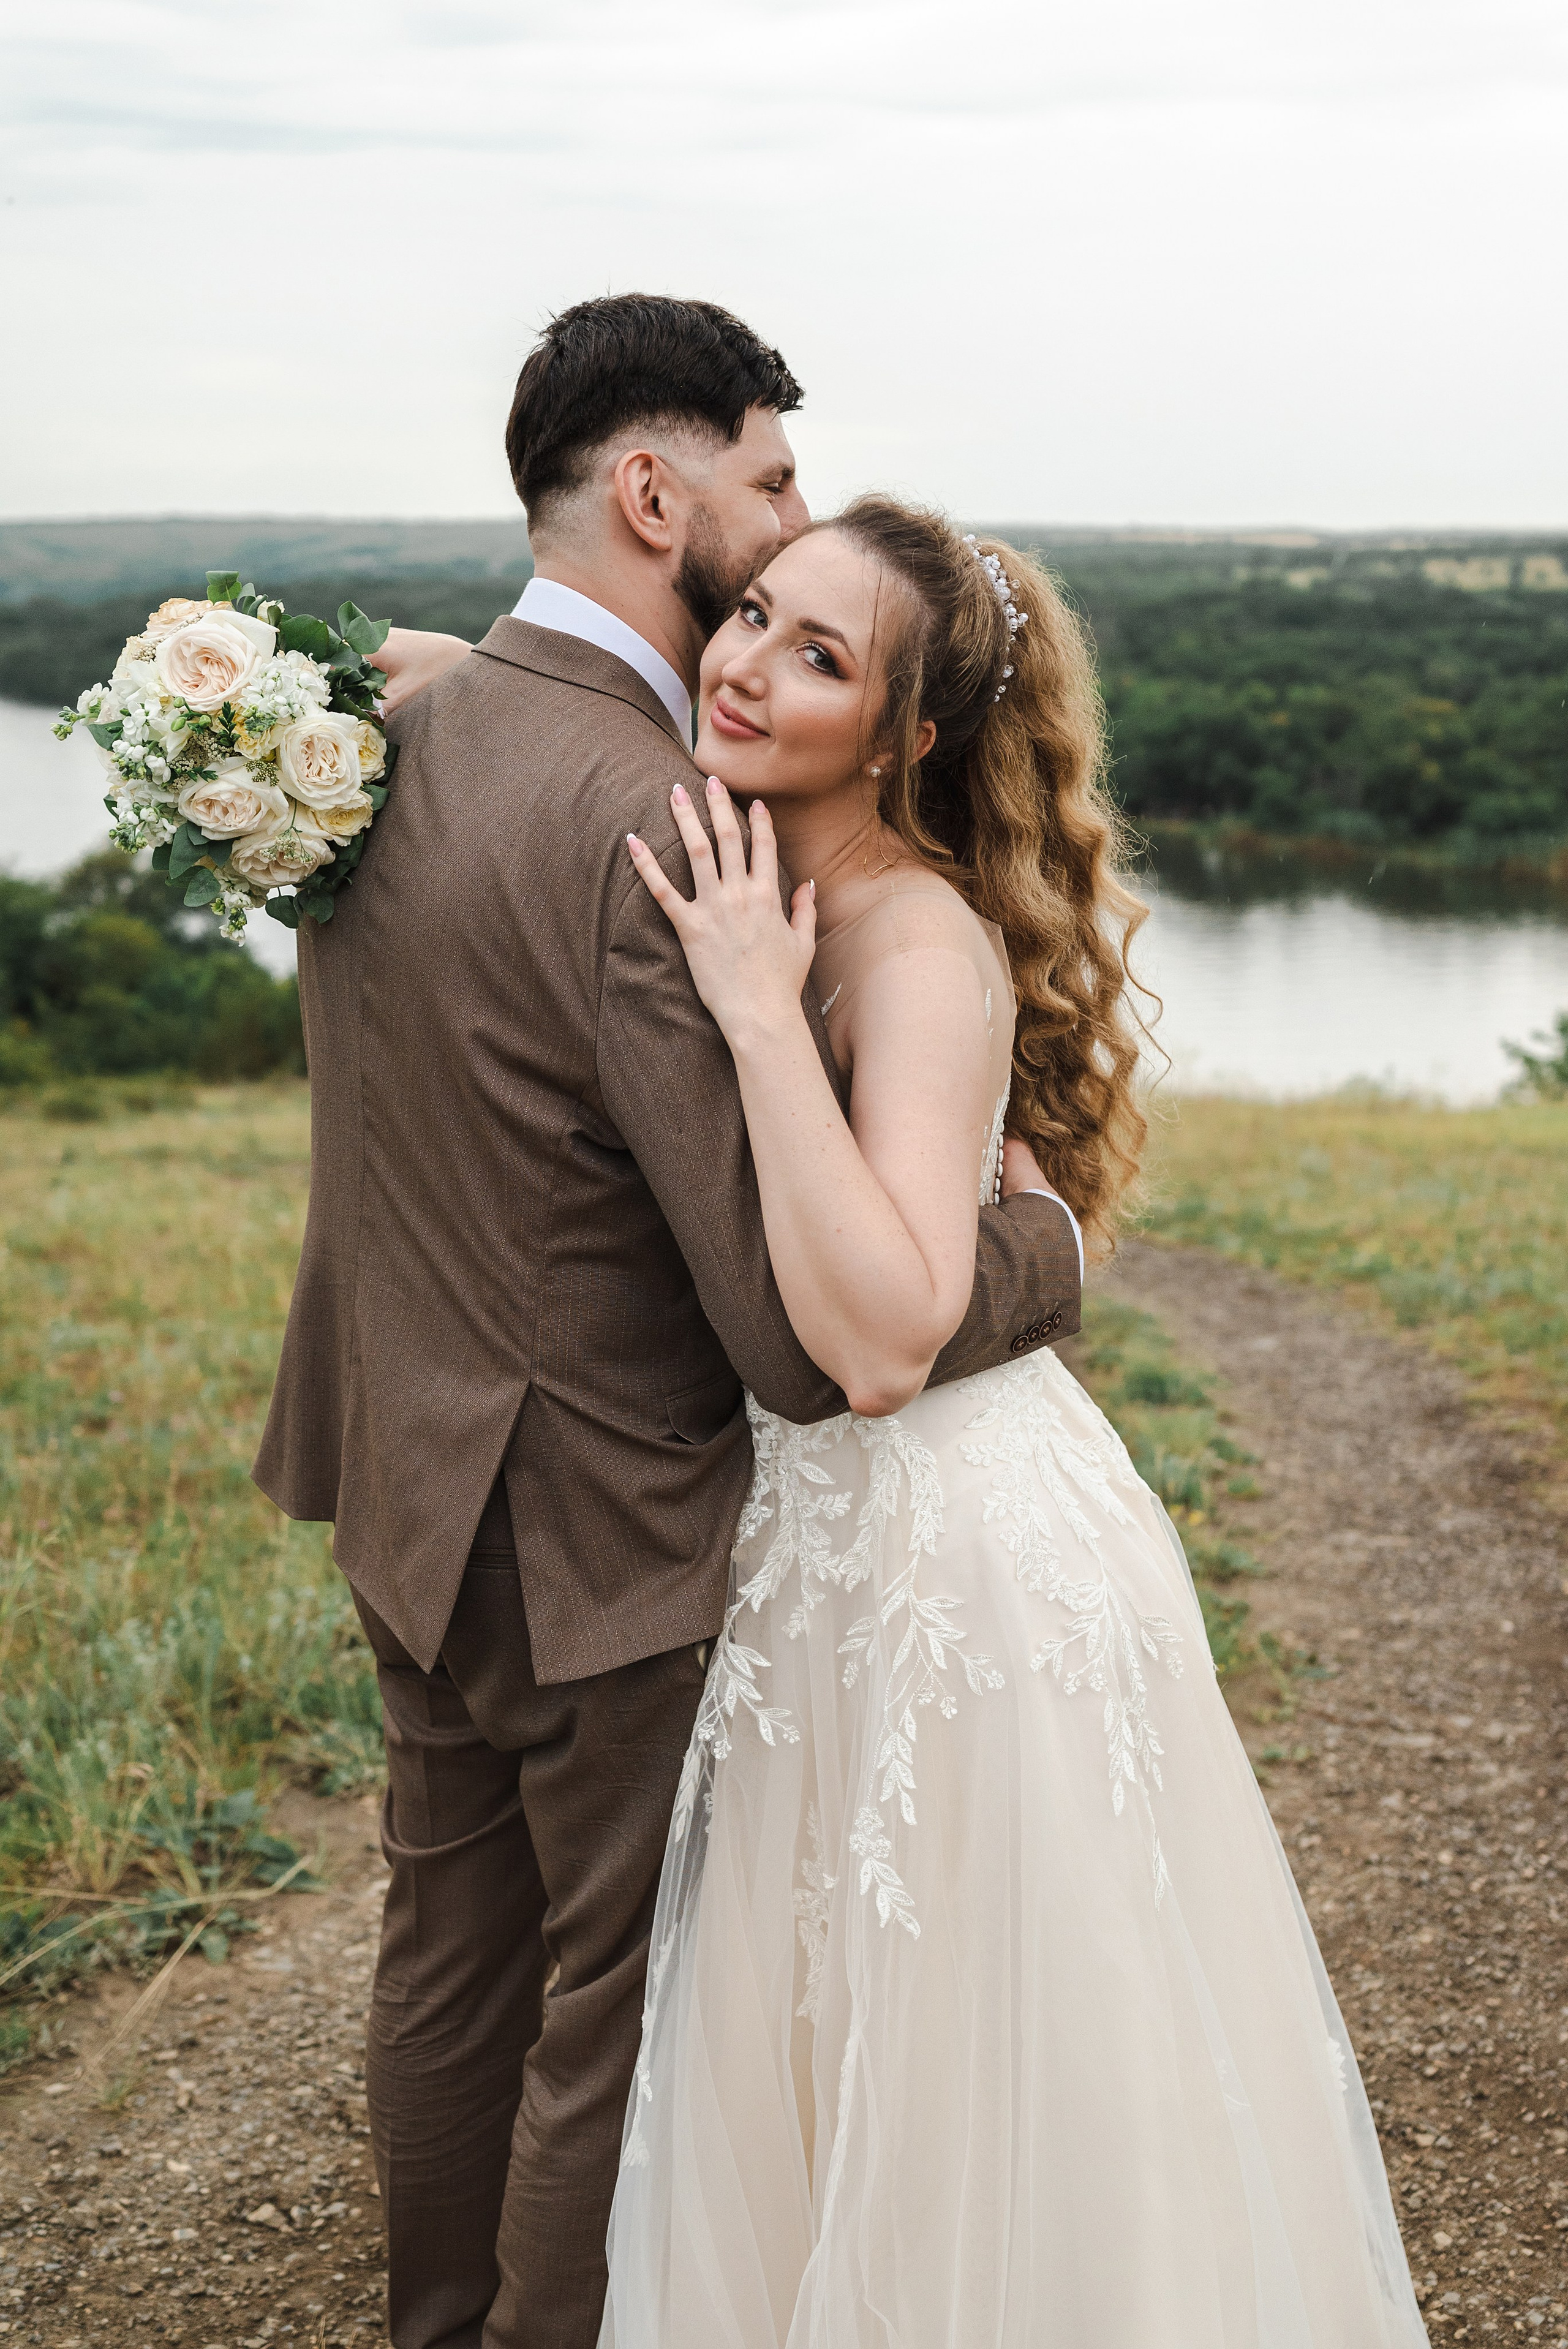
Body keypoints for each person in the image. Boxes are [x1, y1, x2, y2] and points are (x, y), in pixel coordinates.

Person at [252, 295, 1082, 2349]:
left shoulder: (383, 733)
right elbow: (813, 1349)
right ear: (654, 490)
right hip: (595, 1527)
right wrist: (1041, 1251)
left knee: (447, 1954)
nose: (793, 518)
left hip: (397, 1463)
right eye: (774, 483)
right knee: (598, 2019)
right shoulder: (664, 825)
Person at [590, 498, 1430, 2345]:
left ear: (906, 738)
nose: (741, 665)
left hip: (951, 1560)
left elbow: (887, 1332)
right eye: (751, 616)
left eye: (822, 658)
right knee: (819, 2048)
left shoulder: (912, 954)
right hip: (828, 1552)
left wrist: (748, 1013)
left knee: (989, 2072)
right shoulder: (764, 848)